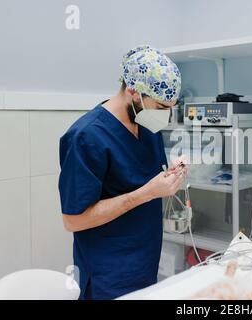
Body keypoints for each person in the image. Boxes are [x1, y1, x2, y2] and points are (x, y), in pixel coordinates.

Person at [58, 45, 185, 300]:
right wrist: (145, 194)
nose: (165, 115)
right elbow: (73, 220)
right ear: (133, 92)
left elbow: (147, 180)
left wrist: (170, 178)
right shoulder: (86, 137)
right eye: (161, 106)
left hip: (145, 265)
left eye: (170, 107)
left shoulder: (147, 126)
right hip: (108, 275)